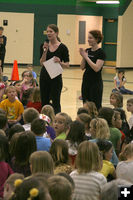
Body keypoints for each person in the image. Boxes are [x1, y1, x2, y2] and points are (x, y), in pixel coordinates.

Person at [40, 24, 69, 114]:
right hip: (44, 76)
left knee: (56, 102)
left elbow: (67, 64)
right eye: (47, 31)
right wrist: (45, 51)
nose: (48, 33)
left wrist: (60, 62)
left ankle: (56, 121)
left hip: (56, 77)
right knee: (44, 101)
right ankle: (44, 122)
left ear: (56, 33)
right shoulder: (44, 45)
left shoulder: (63, 47)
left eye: (51, 31)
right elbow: (41, 63)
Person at [79, 30, 106, 110]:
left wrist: (86, 57)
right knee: (86, 105)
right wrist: (83, 56)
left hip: (95, 83)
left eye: (91, 38)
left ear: (97, 39)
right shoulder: (87, 50)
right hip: (86, 81)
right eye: (88, 38)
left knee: (95, 106)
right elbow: (82, 67)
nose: (88, 40)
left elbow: (96, 68)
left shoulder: (101, 53)